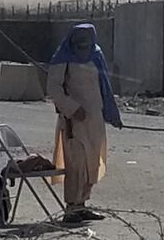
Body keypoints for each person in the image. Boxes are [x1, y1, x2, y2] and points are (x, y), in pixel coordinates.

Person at [47, 24, 123, 223]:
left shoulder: (96, 55)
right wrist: (71, 108)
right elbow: (53, 88)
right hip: (74, 121)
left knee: (92, 161)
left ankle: (82, 204)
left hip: (95, 119)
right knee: (76, 163)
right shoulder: (63, 57)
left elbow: (104, 86)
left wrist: (112, 113)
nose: (83, 43)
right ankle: (71, 207)